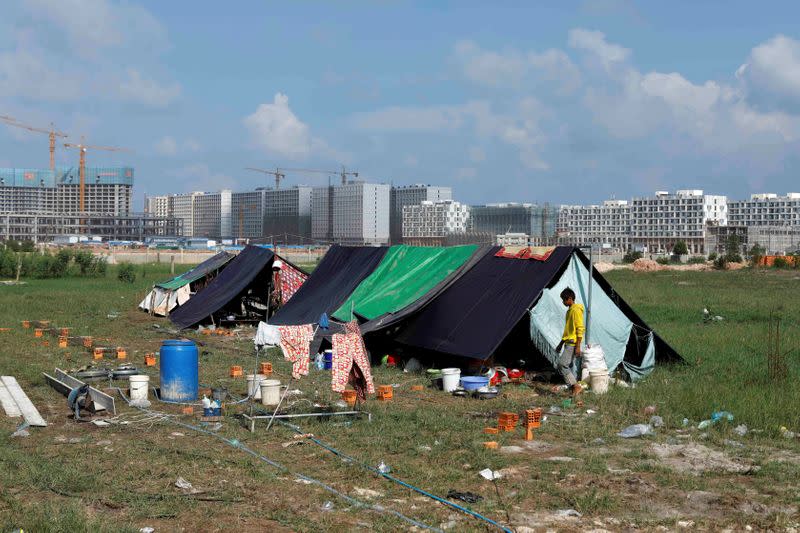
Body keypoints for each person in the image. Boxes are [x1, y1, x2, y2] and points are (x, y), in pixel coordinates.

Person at [554, 287, 585, 396]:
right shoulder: (570, 311)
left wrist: (578, 346)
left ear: (570, 298)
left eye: (564, 300)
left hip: (573, 343)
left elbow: (580, 328)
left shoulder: (576, 310)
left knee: (562, 365)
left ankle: (575, 386)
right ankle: (574, 387)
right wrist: (560, 344)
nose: (563, 302)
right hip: (568, 342)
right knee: (565, 365)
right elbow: (568, 331)